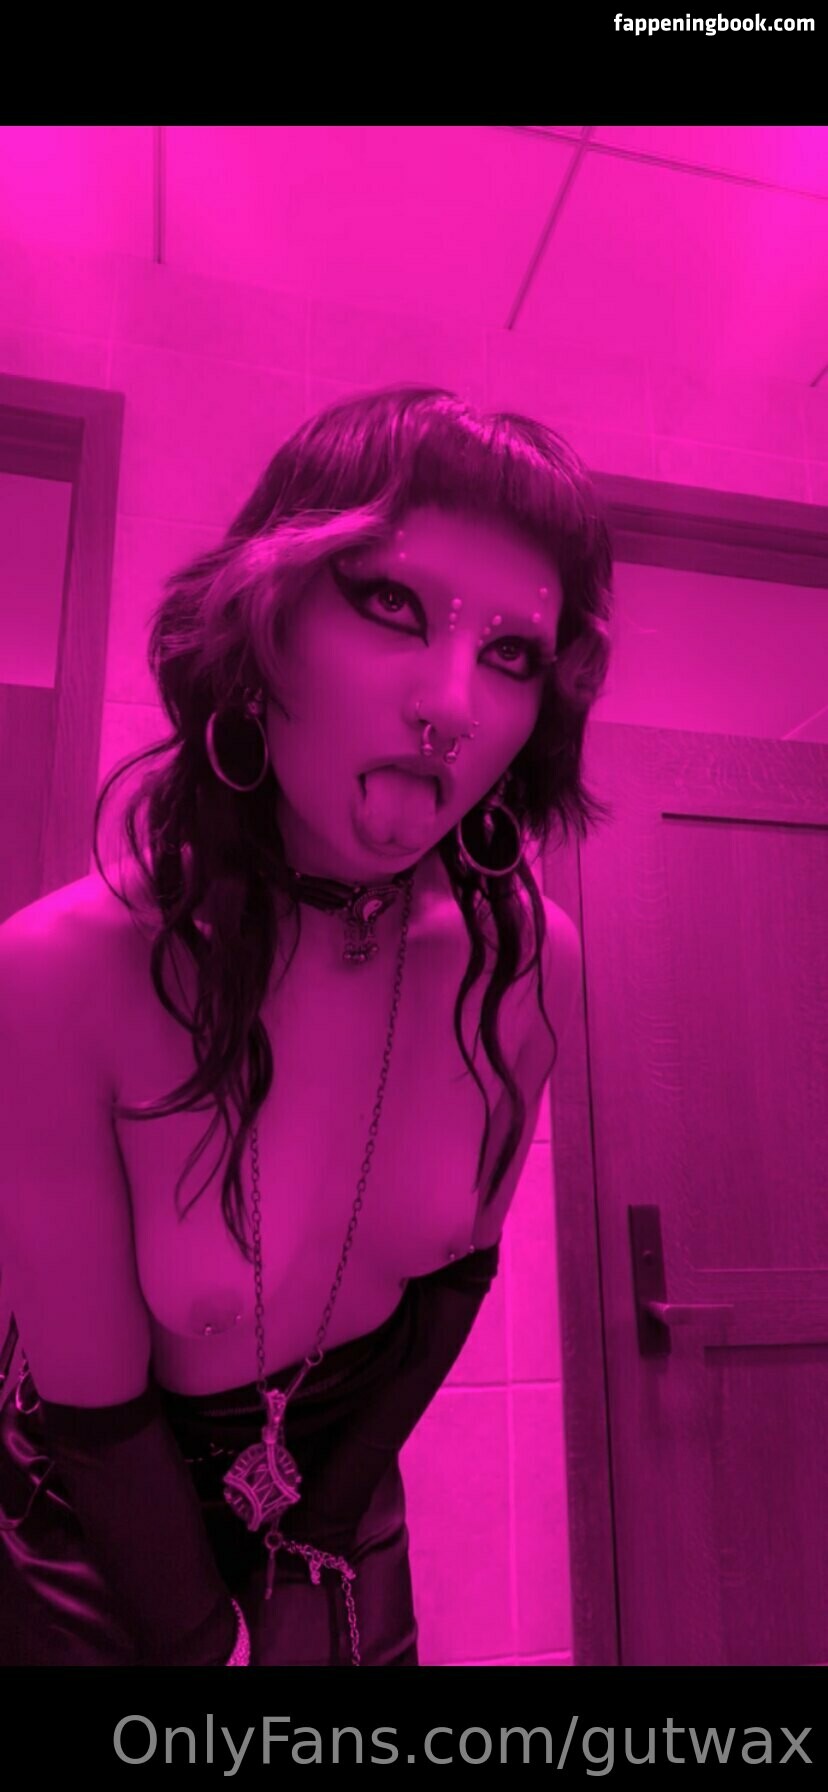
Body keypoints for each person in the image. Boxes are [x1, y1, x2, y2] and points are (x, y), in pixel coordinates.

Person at [0, 384, 613, 1667]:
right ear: (261, 624)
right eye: (390, 603)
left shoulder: (529, 965)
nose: (452, 703)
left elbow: (455, 1279)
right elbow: (94, 1409)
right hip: (90, 1517)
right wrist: (203, 1635)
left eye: (512, 653)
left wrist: (325, 1531)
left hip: (338, 1494)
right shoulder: (62, 970)